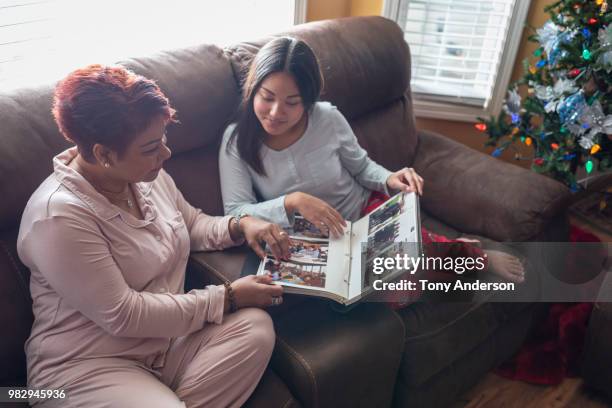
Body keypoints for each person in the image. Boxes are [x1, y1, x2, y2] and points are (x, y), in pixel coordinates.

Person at [17, 64, 290, 408]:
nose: (165, 153)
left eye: (162, 139)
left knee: (255, 328)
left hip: (165, 344)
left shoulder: (146, 175)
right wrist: (228, 297)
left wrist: (242, 225)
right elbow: (123, 313)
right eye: (150, 147)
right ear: (103, 154)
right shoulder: (58, 217)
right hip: (86, 366)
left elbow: (191, 225)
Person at [218, 36, 525, 286]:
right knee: (393, 295)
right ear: (252, 89)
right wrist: (292, 202)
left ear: (308, 100)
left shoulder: (327, 118)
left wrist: (390, 179)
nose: (275, 113)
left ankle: (468, 254)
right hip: (311, 244)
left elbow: (363, 168)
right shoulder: (236, 141)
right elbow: (236, 212)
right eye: (267, 97)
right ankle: (447, 247)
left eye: (291, 102)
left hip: (363, 214)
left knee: (401, 275)